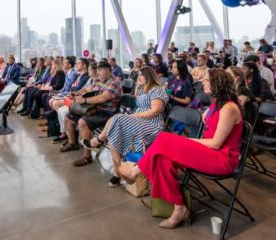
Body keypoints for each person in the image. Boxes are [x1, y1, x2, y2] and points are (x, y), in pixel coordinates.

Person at [118, 68, 243, 230]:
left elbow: (216, 144)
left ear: (217, 84)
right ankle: (179, 208)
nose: (202, 82)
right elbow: (212, 127)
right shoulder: (217, 105)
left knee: (164, 139)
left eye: (206, 80)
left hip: (222, 158)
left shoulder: (230, 108)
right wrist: (207, 113)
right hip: (209, 152)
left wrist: (186, 141)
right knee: (162, 159)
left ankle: (136, 171)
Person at [83, 66, 165, 188]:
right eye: (138, 75)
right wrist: (138, 85)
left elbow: (155, 111)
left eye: (141, 75)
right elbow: (138, 100)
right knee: (113, 133)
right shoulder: (144, 89)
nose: (138, 77)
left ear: (149, 76)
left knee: (117, 118)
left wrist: (135, 115)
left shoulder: (156, 90)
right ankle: (118, 172)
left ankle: (98, 141)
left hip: (152, 124)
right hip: (139, 121)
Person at [60, 60, 122, 167]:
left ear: (109, 70)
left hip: (108, 113)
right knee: (68, 117)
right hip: (95, 109)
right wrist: (77, 93)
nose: (98, 72)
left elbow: (104, 97)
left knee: (82, 122)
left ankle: (87, 157)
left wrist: (84, 101)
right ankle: (73, 143)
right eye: (97, 70)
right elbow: (88, 88)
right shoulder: (98, 80)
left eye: (101, 70)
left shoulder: (114, 82)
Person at [50, 59, 91, 144]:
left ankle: (68, 134)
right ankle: (65, 133)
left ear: (84, 66)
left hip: (77, 100)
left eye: (78, 63)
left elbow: (77, 88)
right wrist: (74, 92)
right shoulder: (79, 75)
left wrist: (74, 92)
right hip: (73, 97)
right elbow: (75, 88)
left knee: (58, 106)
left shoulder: (85, 76)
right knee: (59, 108)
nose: (76, 65)